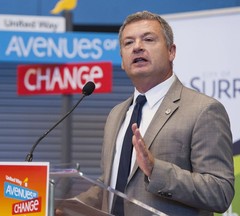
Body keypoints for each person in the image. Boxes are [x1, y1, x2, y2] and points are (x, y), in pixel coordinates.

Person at [76, 10, 235, 216]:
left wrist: (155, 170)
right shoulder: (116, 114)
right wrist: (63, 204)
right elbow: (111, 185)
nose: (137, 47)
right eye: (128, 43)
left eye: (148, 39)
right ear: (123, 61)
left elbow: (220, 192)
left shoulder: (203, 110)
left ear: (171, 52)